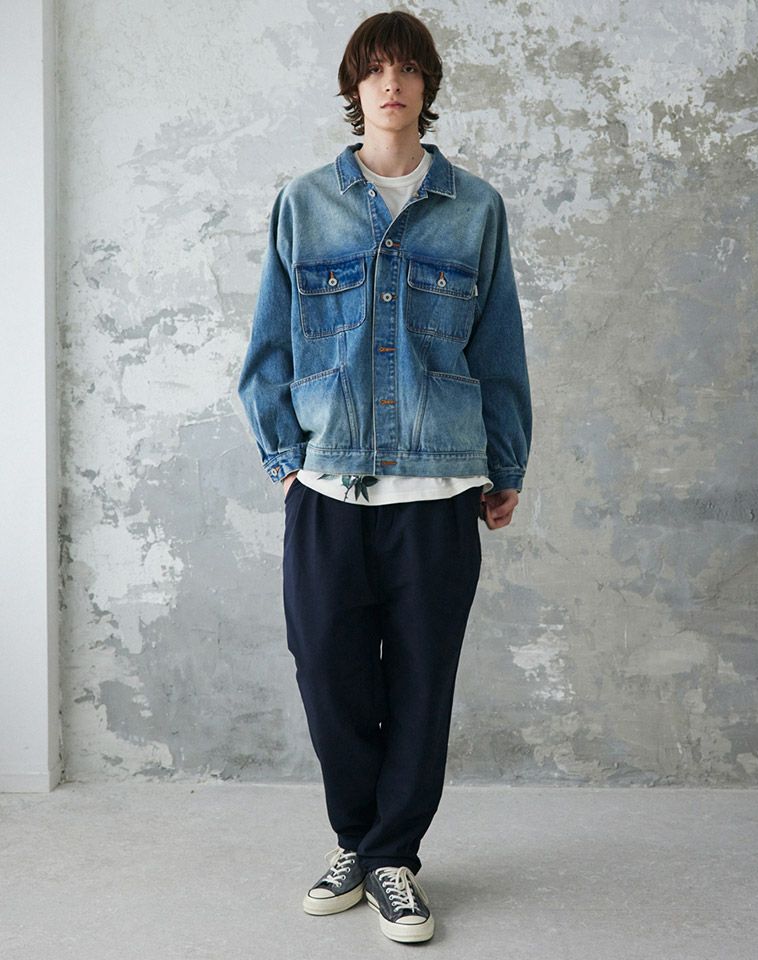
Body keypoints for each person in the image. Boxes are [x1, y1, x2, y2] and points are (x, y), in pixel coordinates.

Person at [237, 10, 532, 945]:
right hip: (327, 487)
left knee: (421, 682)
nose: (391, 84)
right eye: (375, 70)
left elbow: (500, 348)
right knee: (329, 675)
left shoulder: (475, 208)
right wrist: (285, 460)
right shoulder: (304, 203)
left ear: (427, 87)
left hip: (439, 491)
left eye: (407, 69)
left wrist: (505, 463)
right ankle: (359, 842)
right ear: (355, 86)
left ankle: (392, 858)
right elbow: (269, 346)